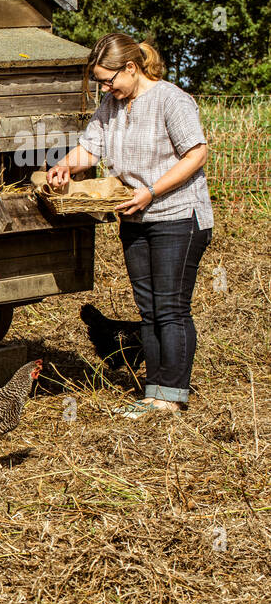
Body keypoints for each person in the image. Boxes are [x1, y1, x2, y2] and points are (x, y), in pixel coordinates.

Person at [47, 34, 212, 416]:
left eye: (109, 79)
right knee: (149, 308)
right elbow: (92, 146)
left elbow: (197, 153)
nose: (106, 87)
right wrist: (64, 165)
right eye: (101, 81)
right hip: (134, 215)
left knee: (171, 307)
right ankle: (154, 390)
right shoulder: (111, 104)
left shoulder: (171, 100)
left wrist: (152, 191)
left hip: (177, 215)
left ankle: (172, 393)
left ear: (132, 68)